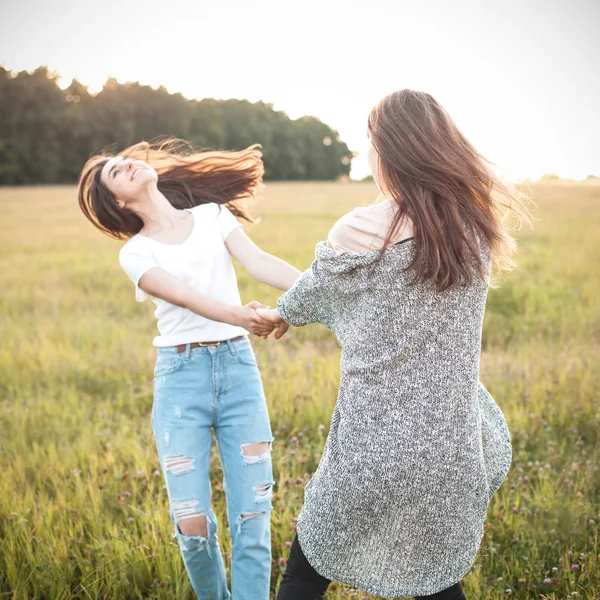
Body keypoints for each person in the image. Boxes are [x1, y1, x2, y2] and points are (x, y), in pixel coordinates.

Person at [257, 89, 531, 600]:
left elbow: (312, 292)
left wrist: (278, 315)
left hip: (369, 449)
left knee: (306, 570)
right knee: (438, 583)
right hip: (451, 450)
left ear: (389, 151)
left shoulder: (361, 228)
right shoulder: (473, 230)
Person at [77, 139, 299, 600]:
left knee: (253, 517)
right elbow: (184, 296)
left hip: (238, 370)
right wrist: (243, 315)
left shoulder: (213, 216)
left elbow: (258, 262)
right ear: (119, 201)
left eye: (127, 160)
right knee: (191, 521)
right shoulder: (135, 253)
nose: (130, 164)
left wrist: (315, 291)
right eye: (117, 172)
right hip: (181, 381)